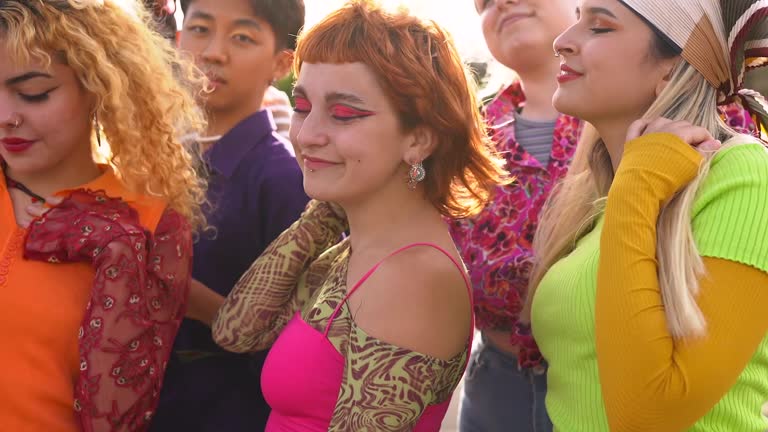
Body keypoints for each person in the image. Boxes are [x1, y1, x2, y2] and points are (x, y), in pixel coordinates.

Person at [452, 2, 758, 431]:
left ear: (672, 66)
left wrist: (638, 184)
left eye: (598, 27)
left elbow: (647, 414)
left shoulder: (741, 173)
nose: (563, 42)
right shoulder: (593, 191)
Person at [211, 1, 508, 430]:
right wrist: (324, 211)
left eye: (344, 113)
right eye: (302, 105)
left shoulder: (413, 277)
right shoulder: (355, 248)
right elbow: (236, 330)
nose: (307, 134)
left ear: (419, 139)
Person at [0, 0, 206, 431]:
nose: (5, 117)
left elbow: (116, 420)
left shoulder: (151, 224)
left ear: (97, 85)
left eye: (33, 94)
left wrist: (121, 260)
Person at [150, 0, 309, 431]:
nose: (213, 52)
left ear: (281, 63)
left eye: (242, 37)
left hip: (230, 408)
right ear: (179, 42)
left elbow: (302, 338)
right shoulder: (157, 158)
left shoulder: (284, 179)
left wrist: (194, 300)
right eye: (200, 29)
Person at [450, 1, 579, 429]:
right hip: (496, 390)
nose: (501, 2)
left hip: (606, 381)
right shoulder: (462, 139)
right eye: (483, 2)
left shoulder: (650, 114)